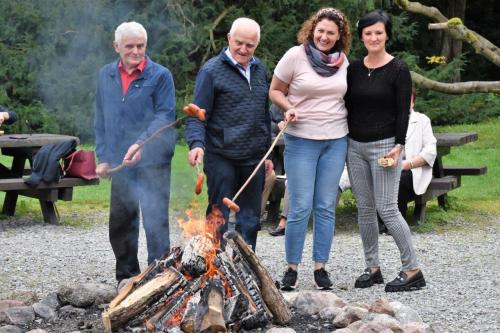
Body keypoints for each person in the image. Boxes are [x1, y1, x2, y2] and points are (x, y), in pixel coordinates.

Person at [269, 7, 351, 290]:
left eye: (331, 32)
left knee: (326, 206)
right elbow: (275, 90)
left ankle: (320, 268)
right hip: (302, 140)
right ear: (312, 29)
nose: (325, 36)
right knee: (300, 206)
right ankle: (291, 268)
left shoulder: (343, 62)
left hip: (336, 140)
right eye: (321, 31)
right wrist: (289, 107)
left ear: (339, 35)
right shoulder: (295, 55)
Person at [345, 10, 426, 292]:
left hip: (385, 147)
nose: (373, 37)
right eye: (368, 33)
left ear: (387, 34)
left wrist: (399, 146)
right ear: (362, 37)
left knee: (388, 209)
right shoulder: (353, 69)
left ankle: (412, 269)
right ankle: (372, 268)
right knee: (365, 210)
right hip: (354, 147)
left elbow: (403, 111)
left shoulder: (398, 70)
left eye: (378, 32)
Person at [94, 22, 177, 290]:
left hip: (154, 160)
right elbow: (100, 118)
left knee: (155, 219)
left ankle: (158, 275)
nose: (136, 51)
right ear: (116, 46)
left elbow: (165, 116)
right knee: (121, 220)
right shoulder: (105, 75)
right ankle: (127, 276)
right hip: (120, 162)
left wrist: (142, 143)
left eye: (140, 45)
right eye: (129, 46)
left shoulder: (160, 75)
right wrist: (103, 157)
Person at [186, 18, 270, 251]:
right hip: (221, 154)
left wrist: (267, 153)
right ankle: (212, 264)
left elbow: (263, 114)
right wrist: (195, 144)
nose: (243, 49)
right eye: (239, 43)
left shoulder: (260, 69)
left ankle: (245, 266)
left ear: (256, 45)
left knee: (251, 218)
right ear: (229, 39)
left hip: (254, 156)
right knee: (218, 214)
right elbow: (197, 114)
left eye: (250, 45)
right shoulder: (211, 71)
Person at [378, 88, 437, 233]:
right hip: (387, 167)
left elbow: (430, 151)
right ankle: (381, 222)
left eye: (407, 98)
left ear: (412, 102)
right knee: (378, 175)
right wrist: (384, 161)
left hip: (413, 170)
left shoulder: (422, 121)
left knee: (401, 176)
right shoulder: (384, 120)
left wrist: (407, 164)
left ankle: (397, 223)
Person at [268, 166, 350, 237]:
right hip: (307, 162)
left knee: (335, 180)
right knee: (294, 177)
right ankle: (283, 224)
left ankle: (326, 226)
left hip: (334, 165)